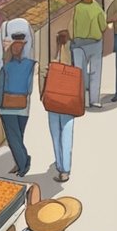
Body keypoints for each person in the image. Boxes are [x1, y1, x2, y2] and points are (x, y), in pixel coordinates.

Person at [0, 31, 35, 177]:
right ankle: (22, 162)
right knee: (19, 137)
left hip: (7, 107)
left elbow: (0, 88)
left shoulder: (5, 68)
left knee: (13, 139)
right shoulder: (30, 65)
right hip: (23, 107)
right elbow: (30, 89)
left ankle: (23, 165)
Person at [70, 0, 106, 109]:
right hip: (94, 42)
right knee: (95, 71)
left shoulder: (77, 8)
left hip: (78, 44)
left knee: (80, 73)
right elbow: (103, 25)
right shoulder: (96, 7)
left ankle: (83, 100)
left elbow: (72, 25)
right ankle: (94, 100)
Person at [48, 32, 76, 183]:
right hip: (68, 102)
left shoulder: (53, 59)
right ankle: (65, 169)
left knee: (55, 134)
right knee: (66, 134)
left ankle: (60, 164)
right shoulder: (72, 57)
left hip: (53, 101)